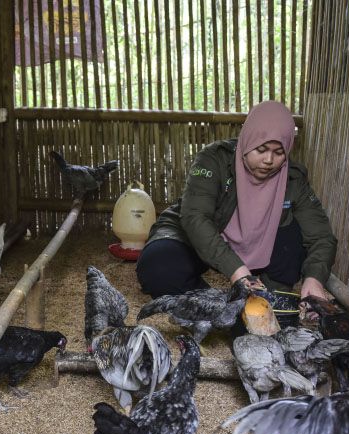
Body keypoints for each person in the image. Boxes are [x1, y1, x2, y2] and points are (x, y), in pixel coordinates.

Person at [136, 101, 336, 303]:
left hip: (259, 248)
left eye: (279, 152)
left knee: (292, 235)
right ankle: (214, 306)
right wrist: (236, 270)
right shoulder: (214, 160)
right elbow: (194, 217)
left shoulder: (293, 178)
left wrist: (314, 279)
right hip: (199, 239)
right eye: (261, 149)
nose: (269, 160)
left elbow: (322, 237)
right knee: (158, 268)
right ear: (248, 140)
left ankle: (265, 299)